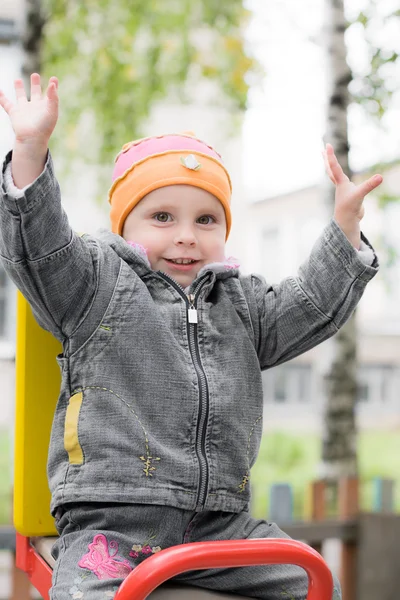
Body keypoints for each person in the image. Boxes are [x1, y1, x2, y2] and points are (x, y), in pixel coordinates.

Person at [0, 74, 382, 600]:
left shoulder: (242, 305)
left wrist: (344, 227)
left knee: (315, 582)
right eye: (162, 216)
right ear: (124, 227)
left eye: (206, 219)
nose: (186, 235)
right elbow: (40, 251)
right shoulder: (96, 286)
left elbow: (309, 306)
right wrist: (31, 150)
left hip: (221, 523)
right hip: (116, 524)